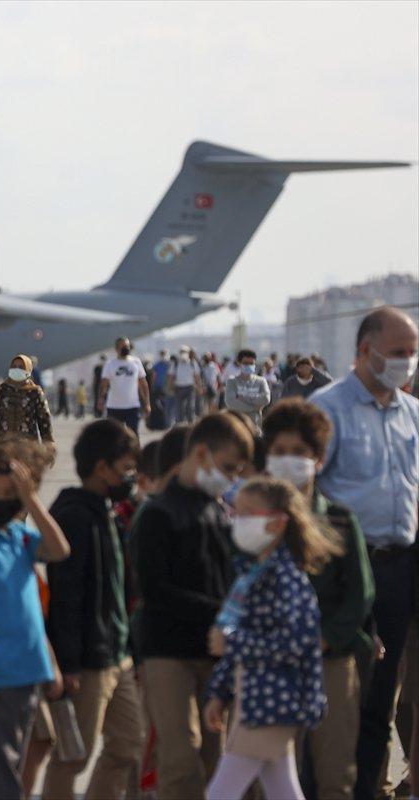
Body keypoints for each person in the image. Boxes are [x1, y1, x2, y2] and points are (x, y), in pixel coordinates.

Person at [309, 306, 418, 800]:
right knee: (338, 700)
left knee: (380, 703)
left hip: (402, 568)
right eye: (398, 352)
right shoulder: (327, 410)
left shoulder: (411, 413)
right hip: (347, 571)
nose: (407, 362)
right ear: (363, 351)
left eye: (413, 353)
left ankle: (365, 791)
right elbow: (302, 493)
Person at [130, 412, 253, 799]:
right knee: (181, 759)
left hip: (213, 654)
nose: (233, 478)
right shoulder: (157, 514)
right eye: (229, 467)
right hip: (167, 653)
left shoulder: (216, 512)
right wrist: (221, 613)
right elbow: (156, 590)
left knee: (217, 762)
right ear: (202, 453)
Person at [260, 398, 374, 799]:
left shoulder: (340, 520)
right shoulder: (250, 523)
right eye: (279, 452)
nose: (288, 461)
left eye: (299, 453)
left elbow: (360, 595)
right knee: (271, 773)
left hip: (331, 660)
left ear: (319, 459)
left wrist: (325, 638)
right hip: (270, 663)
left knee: (335, 772)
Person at [202, 477, 340, 800]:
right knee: (282, 790)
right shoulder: (257, 572)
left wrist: (232, 645)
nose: (236, 519)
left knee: (221, 793)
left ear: (278, 523)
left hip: (271, 703)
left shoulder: (285, 578)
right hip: (261, 701)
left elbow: (294, 643)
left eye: (248, 513)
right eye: (236, 511)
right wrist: (220, 691)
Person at [0, 444, 71, 799]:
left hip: (29, 672)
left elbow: (59, 550)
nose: (1, 501)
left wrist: (31, 500)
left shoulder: (17, 536)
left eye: (9, 494)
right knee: (1, 773)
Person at [41, 419, 146, 799]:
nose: (130, 476)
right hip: (87, 661)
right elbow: (67, 598)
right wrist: (68, 664)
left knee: (128, 744)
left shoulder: (110, 513)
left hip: (119, 655)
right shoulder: (74, 516)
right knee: (73, 756)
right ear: (102, 467)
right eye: (126, 467)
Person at [0, 354, 54, 446]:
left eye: (21, 367)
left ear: (28, 370)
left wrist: (48, 441)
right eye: (14, 366)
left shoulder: (35, 392)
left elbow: (44, 418)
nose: (17, 369)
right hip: (1, 444)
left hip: (27, 446)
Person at [98, 337, 151, 437]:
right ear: (116, 348)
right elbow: (104, 384)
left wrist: (147, 403)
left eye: (127, 346)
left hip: (132, 407)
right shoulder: (110, 364)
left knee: (133, 435)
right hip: (114, 407)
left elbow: (143, 384)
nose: (126, 348)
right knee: (114, 436)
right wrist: (101, 399)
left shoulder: (136, 362)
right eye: (123, 346)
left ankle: (135, 453)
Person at [224, 349, 271, 432]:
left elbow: (266, 399)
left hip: (255, 429)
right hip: (236, 429)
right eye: (245, 363)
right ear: (239, 363)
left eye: (251, 363)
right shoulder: (232, 382)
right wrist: (254, 408)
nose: (249, 366)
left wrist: (244, 398)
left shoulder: (261, 381)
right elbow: (231, 402)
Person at [174, 346, 202, 424]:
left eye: (185, 352)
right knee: (179, 409)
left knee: (190, 408)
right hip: (178, 388)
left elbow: (197, 377)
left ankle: (190, 425)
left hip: (190, 388)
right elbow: (171, 376)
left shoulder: (193, 363)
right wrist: (170, 387)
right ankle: (180, 425)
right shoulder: (176, 363)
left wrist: (199, 387)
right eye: (182, 352)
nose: (183, 354)